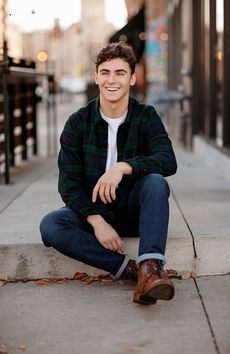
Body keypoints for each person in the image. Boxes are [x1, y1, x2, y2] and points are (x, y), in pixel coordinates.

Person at [40, 42, 177, 305]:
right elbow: (69, 185)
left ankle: (151, 265)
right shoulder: (78, 123)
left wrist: (123, 167)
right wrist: (96, 221)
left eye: (120, 73)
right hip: (94, 211)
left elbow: (167, 160)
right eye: (105, 72)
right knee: (51, 225)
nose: (111, 80)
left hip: (134, 210)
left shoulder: (146, 116)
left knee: (156, 183)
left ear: (132, 78)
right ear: (96, 77)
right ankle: (133, 271)